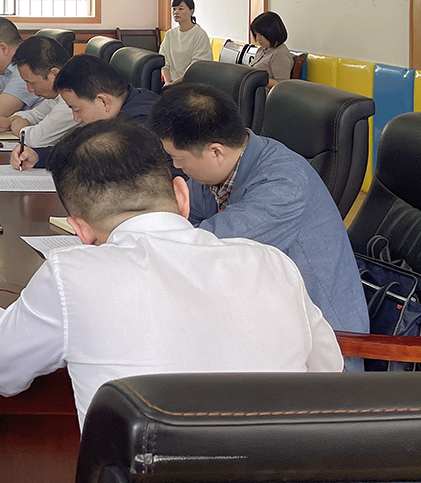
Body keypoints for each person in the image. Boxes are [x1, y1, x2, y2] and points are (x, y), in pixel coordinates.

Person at [0, 120, 342, 425]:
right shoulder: (271, 262)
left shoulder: (70, 275)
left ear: (79, 229)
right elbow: (328, 372)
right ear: (182, 196)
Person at [147, 83, 370, 340]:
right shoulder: (223, 168)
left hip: (323, 341)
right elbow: (177, 212)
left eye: (178, 158)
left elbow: (205, 251)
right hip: (259, 313)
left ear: (216, 151)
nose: (176, 166)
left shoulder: (284, 185)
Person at [11, 54, 160, 170]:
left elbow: (103, 162)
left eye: (77, 110)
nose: (76, 118)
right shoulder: (118, 109)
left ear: (103, 101)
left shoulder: (141, 124)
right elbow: (79, 150)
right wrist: (39, 156)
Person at [0, 36, 76, 165]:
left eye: (31, 83)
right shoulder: (57, 93)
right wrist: (9, 121)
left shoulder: (73, 97)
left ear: (54, 74)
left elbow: (37, 140)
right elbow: (35, 114)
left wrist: (20, 129)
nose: (29, 89)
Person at [161, 0, 210, 84]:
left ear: (191, 11)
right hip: (171, 83)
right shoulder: (170, 34)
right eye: (174, 9)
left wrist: (173, 84)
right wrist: (167, 83)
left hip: (192, 84)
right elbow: (164, 62)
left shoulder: (199, 34)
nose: (176, 12)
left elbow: (196, 68)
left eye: (180, 9)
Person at [249, 10, 294, 84]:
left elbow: (281, 83)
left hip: (262, 90)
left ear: (271, 32)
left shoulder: (280, 53)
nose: (257, 39)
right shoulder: (263, 49)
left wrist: (256, 79)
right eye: (256, 35)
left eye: (260, 35)